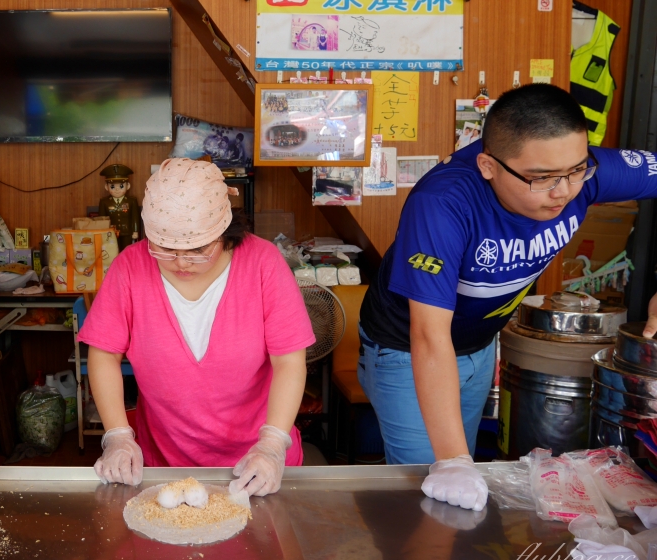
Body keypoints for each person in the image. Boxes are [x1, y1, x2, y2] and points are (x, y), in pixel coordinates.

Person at [358, 84, 657, 513]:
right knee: (431, 489)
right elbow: (428, 336)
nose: (564, 191)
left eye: (577, 170)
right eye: (542, 178)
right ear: (488, 166)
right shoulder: (443, 203)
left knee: (460, 482)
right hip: (407, 349)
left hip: (479, 344)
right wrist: (453, 461)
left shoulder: (578, 173)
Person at [79, 158, 313, 496]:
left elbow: (289, 361)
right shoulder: (130, 266)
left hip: (257, 465)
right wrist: (117, 435)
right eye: (165, 248)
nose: (181, 262)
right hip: (164, 465)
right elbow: (104, 353)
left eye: (198, 249)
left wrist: (273, 444)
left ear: (224, 231)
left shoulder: (263, 264)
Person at [98, 164, 139, 250]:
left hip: (127, 231)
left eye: (121, 186)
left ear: (128, 186)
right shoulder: (104, 202)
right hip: (111, 232)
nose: (117, 189)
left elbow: (135, 217)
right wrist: (102, 231)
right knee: (113, 250)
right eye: (112, 186)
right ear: (106, 187)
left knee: (126, 250)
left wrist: (135, 231)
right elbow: (102, 218)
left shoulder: (131, 201)